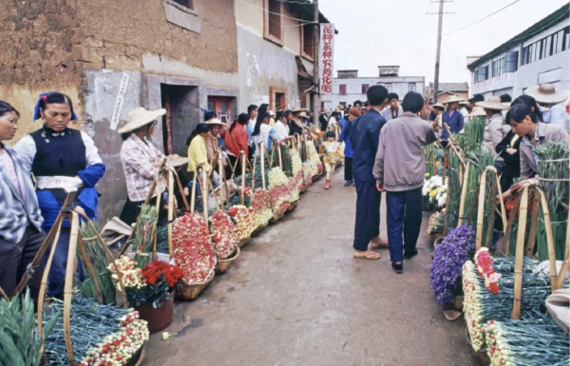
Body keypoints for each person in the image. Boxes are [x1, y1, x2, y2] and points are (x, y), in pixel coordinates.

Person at [15, 92, 106, 297]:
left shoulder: (81, 137)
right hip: (49, 204)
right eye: (54, 114)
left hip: (82, 199)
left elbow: (98, 165)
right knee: (57, 252)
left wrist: (78, 181)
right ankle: (58, 297)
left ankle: (92, 293)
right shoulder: (30, 142)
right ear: (42, 112)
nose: (59, 119)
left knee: (89, 249)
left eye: (65, 115)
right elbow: (20, 176)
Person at [374, 92, 438, 273]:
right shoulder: (424, 126)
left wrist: (379, 177)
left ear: (403, 104)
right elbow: (432, 139)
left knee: (394, 219)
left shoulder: (388, 126)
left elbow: (380, 155)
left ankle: (396, 260)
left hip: (393, 180)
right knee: (413, 218)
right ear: (419, 107)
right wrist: (425, 116)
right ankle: (409, 249)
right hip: (414, 181)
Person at [0, 101, 45, 301]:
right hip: (5, 233)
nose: (16, 126)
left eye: (16, 121)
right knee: (6, 289)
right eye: (11, 121)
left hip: (30, 228)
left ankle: (32, 328)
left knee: (32, 286)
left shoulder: (12, 153)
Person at [350, 85, 389, 260]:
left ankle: (374, 238)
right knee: (366, 207)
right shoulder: (379, 121)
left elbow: (353, 140)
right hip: (369, 170)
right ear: (386, 101)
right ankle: (359, 247)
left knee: (372, 206)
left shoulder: (360, 119)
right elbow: (380, 150)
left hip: (360, 167)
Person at [118, 107, 167, 226]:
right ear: (146, 126)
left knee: (154, 230)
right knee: (142, 233)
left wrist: (157, 163)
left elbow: (166, 160)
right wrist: (156, 164)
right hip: (142, 197)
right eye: (153, 124)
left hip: (156, 192)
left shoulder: (146, 143)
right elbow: (149, 172)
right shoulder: (129, 146)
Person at [509, 104, 570, 193]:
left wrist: (532, 181)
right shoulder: (524, 144)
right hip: (544, 192)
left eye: (515, 125)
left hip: (564, 189)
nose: (513, 130)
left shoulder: (555, 132)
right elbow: (525, 176)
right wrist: (507, 194)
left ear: (527, 119)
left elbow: (563, 166)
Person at [339, 108, 360, 186]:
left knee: (356, 164)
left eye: (351, 116)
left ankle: (356, 179)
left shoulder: (359, 123)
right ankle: (349, 179)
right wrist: (340, 140)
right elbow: (343, 132)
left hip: (356, 145)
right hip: (348, 145)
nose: (349, 117)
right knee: (348, 163)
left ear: (355, 116)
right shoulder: (348, 124)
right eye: (349, 116)